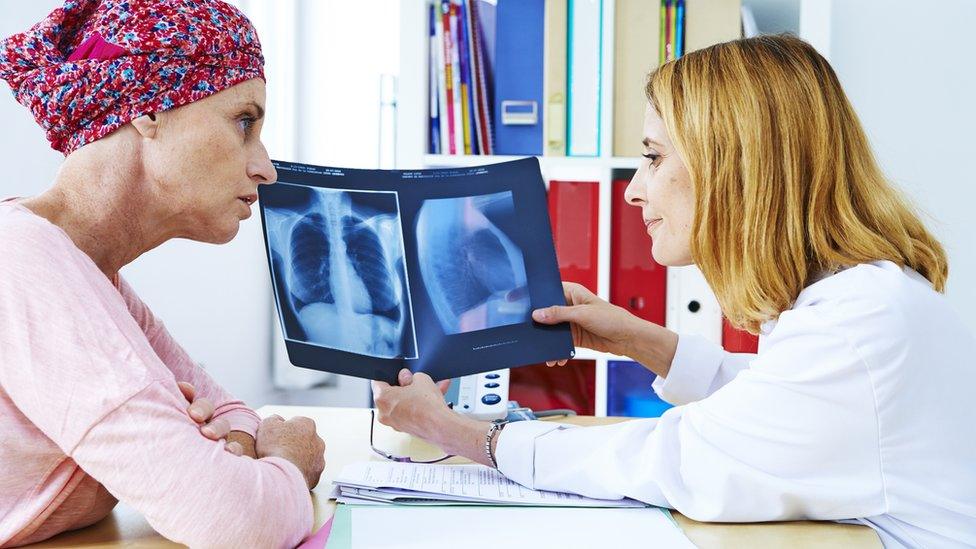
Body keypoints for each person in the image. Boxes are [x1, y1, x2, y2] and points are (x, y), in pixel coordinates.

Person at [372, 35, 976, 548]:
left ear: (736, 166)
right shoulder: (867, 303)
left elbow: (675, 460)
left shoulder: (858, 328)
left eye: (654, 158)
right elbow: (779, 407)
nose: (633, 192)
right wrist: (639, 340)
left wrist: (455, 431)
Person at [0, 1, 324, 547]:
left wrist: (229, 447)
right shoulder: (21, 262)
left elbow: (231, 413)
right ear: (148, 111)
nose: (266, 168)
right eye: (244, 121)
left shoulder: (89, 273)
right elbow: (235, 522)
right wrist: (286, 458)